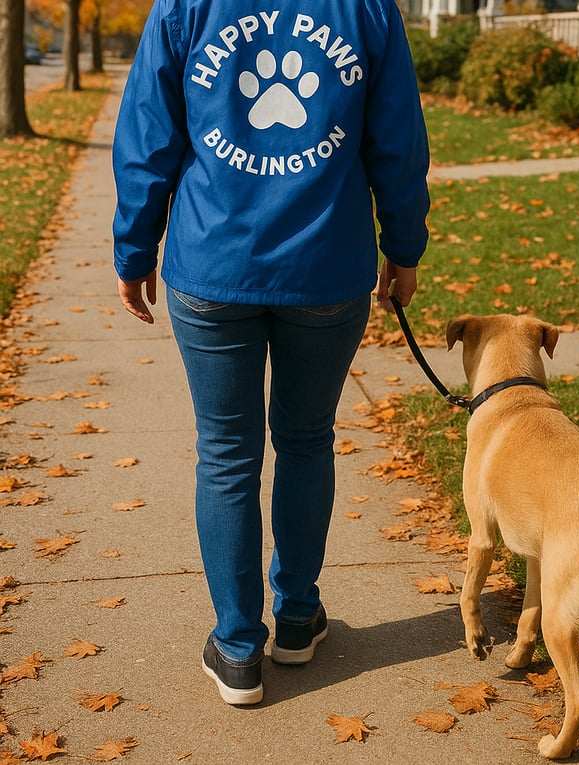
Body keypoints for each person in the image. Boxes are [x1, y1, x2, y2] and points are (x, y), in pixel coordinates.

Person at [112, 0, 430, 705]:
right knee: (308, 438)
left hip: (212, 262)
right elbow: (398, 137)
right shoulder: (367, 6)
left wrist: (134, 245)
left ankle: (236, 648)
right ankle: (294, 618)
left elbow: (147, 132)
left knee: (226, 452)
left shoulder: (185, 4)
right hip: (326, 265)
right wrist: (403, 243)